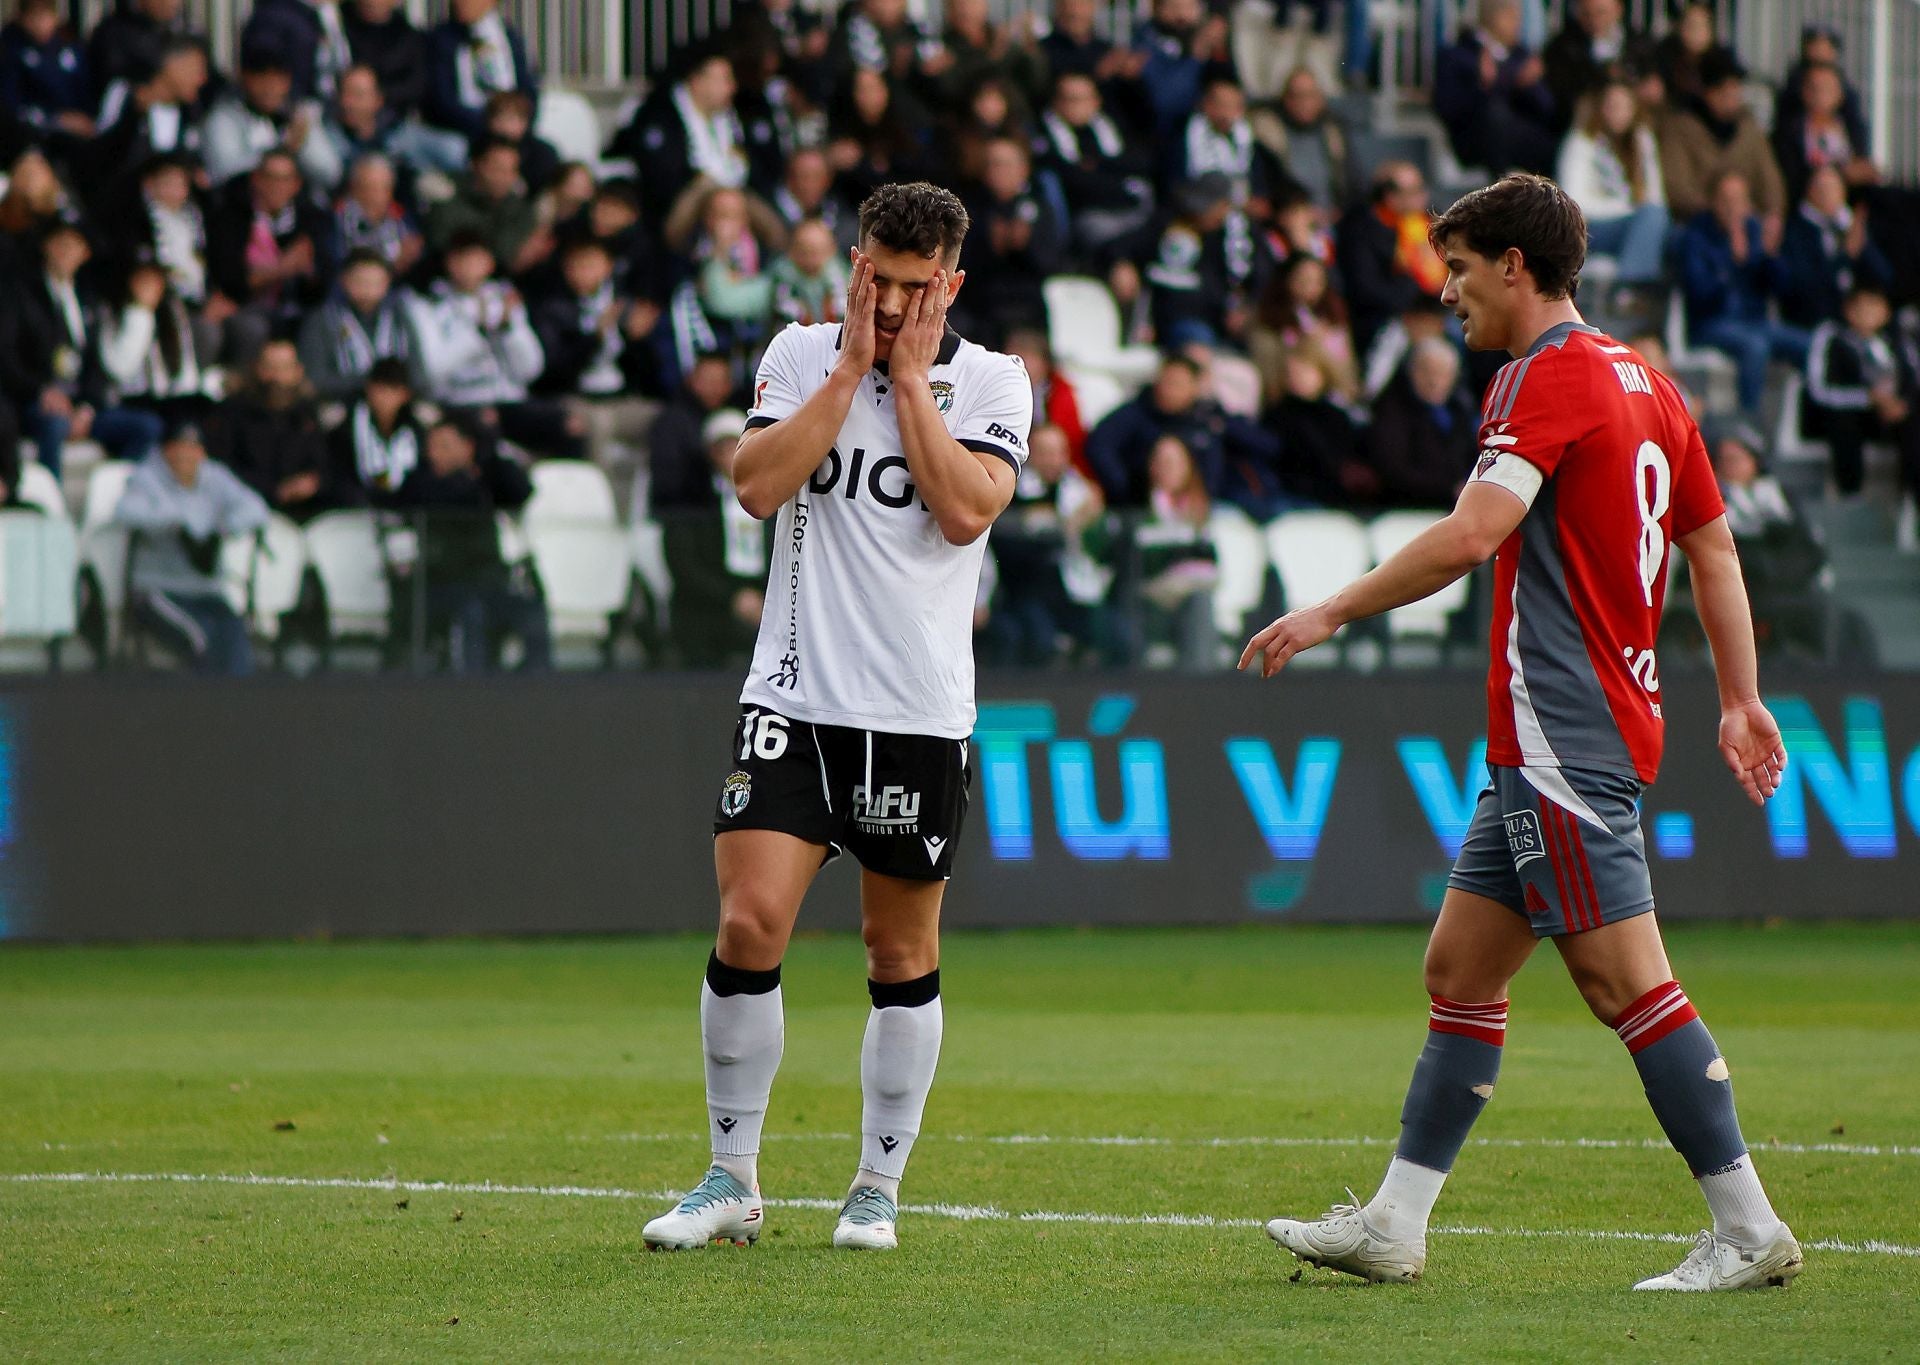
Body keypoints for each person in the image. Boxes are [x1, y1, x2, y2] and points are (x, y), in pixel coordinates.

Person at [1247, 172, 1802, 1293]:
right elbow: (1714, 549)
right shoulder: (1649, 380)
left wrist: (1328, 610)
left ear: (1515, 267)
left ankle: (1747, 1227)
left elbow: (1470, 536)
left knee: (1624, 985)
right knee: (1459, 966)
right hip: (1578, 729)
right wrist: (1738, 697)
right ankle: (1397, 1223)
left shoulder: (1537, 378)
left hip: (1565, 728)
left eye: (1457, 269)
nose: (1448, 292)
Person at [641, 182, 1032, 1256]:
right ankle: (730, 1176)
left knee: (896, 952)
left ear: (950, 282)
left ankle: (875, 1186)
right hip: (794, 695)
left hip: (915, 711)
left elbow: (963, 512)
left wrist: (909, 382)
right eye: (878, 279)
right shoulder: (802, 355)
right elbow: (759, 486)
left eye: (917, 287)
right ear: (852, 264)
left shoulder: (994, 380)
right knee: (747, 924)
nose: (895, 302)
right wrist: (858, 364)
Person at [0, 220, 165, 477]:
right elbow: (7, 356)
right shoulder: (20, 293)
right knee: (54, 425)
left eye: (74, 247)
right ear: (47, 246)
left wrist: (87, 407)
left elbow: (96, 363)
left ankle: (118, 494)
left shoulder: (87, 300)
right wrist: (41, 391)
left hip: (79, 404)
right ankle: (51, 505)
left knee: (147, 426)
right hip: (36, 401)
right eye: (61, 244)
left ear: (85, 254)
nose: (66, 252)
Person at [387, 413, 549, 673]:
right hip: (441, 582)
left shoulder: (488, 473)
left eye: (445, 446)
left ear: (468, 447)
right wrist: (467, 480)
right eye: (432, 446)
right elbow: (428, 499)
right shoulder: (421, 480)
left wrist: (491, 454)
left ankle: (539, 686)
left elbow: (521, 492)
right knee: (473, 611)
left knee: (530, 610)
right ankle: (473, 688)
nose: (435, 454)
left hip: (489, 579)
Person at [114, 420, 270, 676]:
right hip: (159, 588)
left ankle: (238, 708)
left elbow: (256, 508)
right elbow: (125, 512)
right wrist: (175, 522)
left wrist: (224, 527)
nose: (184, 456)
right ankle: (202, 708)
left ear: (201, 453)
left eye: (191, 449)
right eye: (177, 448)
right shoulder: (147, 478)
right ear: (166, 451)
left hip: (206, 588)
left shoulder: (214, 477)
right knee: (201, 639)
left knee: (236, 636)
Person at [1678, 170, 1806, 412]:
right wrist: (1731, 261)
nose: (1732, 208)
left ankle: (1806, 424)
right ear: (1713, 202)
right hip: (1711, 322)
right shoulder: (1696, 235)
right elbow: (1700, 293)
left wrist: (1770, 257)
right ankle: (1748, 425)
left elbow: (1782, 287)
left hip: (1754, 321)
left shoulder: (1754, 231)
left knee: (1810, 344)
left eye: (1739, 201)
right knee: (1756, 346)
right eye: (1726, 200)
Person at [205, 338, 341, 522]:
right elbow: (222, 471)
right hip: (247, 513)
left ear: (297, 372)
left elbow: (328, 465)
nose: (276, 377)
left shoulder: (310, 414)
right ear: (258, 369)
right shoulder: (232, 413)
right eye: (270, 367)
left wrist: (313, 483)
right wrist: (275, 489)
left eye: (284, 368)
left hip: (306, 514)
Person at [1803, 283, 1918, 499]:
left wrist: (1901, 404)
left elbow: (1913, 380)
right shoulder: (1831, 336)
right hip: (1845, 412)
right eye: (1861, 307)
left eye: (1875, 307)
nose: (1868, 314)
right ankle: (1851, 497)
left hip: (1889, 415)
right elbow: (1818, 390)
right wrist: (1868, 398)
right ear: (1848, 309)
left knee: (1913, 422)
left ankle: (1910, 499)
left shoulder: (1896, 341)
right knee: (1844, 423)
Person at [1556, 78, 1668, 286]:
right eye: (1612, 106)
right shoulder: (1581, 142)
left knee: (1668, 227)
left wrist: (1638, 213)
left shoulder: (1643, 140)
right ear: (1600, 108)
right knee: (1650, 218)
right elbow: (1575, 204)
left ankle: (1649, 298)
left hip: (1635, 222)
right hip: (1591, 228)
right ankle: (1631, 290)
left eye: (1625, 107)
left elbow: (1655, 197)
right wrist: (1630, 209)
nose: (1618, 113)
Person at [1433, 0, 1557, 176]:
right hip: (1474, 140)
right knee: (1496, 114)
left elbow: (1547, 109)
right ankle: (1503, 180)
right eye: (1513, 18)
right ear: (1495, 17)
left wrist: (1528, 84)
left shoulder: (1521, 56)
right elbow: (1447, 107)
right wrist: (1484, 87)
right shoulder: (1458, 55)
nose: (1518, 25)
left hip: (1523, 143)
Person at [1778, 164, 1891, 331]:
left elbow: (1884, 275)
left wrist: (1863, 245)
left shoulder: (1848, 226)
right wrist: (1844, 256)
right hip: (1814, 320)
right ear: (1810, 192)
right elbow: (1806, 288)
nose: (1828, 196)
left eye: (1833, 189)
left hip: (1856, 318)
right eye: (1823, 190)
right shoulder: (1796, 232)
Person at [297, 247, 411, 401]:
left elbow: (417, 373)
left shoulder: (400, 318)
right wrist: (370, 383)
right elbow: (315, 380)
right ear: (343, 280)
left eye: (374, 282)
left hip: (394, 404)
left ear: (387, 283)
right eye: (360, 281)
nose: (367, 289)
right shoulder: (322, 320)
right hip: (341, 404)